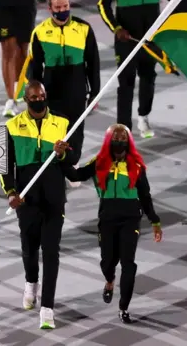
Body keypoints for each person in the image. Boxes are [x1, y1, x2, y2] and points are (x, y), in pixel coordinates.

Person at [58, 124, 162, 323]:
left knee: (128, 263)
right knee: (108, 262)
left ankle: (123, 307)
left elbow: (145, 196)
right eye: (116, 138)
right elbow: (75, 175)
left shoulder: (137, 166)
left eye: (123, 138)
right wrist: (62, 157)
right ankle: (109, 280)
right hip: (107, 219)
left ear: (128, 142)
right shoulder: (99, 162)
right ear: (109, 140)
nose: (119, 141)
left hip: (130, 219)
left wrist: (155, 221)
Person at [0, 80, 79, 329]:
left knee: (52, 252)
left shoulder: (62, 123)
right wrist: (11, 192)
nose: (38, 99)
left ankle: (47, 308)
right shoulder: (12, 126)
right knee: (29, 248)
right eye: (33, 97)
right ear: (26, 100)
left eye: (42, 95)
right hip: (27, 198)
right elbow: (6, 164)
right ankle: (31, 282)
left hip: (54, 197)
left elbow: (72, 159)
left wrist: (63, 153)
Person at [30, 0, 100, 185]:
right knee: (55, 131)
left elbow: (93, 63)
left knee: (76, 130)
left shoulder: (84, 28)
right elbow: (35, 69)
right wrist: (34, 96)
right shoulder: (40, 32)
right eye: (58, 7)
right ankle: (60, 168)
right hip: (51, 91)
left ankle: (72, 166)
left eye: (66, 6)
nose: (63, 10)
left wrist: (95, 92)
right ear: (49, 8)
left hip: (77, 89)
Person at [97, 0, 177, 138]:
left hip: (150, 36)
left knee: (148, 77)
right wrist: (116, 28)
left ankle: (143, 117)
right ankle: (123, 128)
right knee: (126, 82)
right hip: (126, 39)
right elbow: (102, 4)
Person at [0, 0, 36, 118]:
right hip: (5, 1)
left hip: (27, 0)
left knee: (24, 49)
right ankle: (11, 100)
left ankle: (20, 88)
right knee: (9, 49)